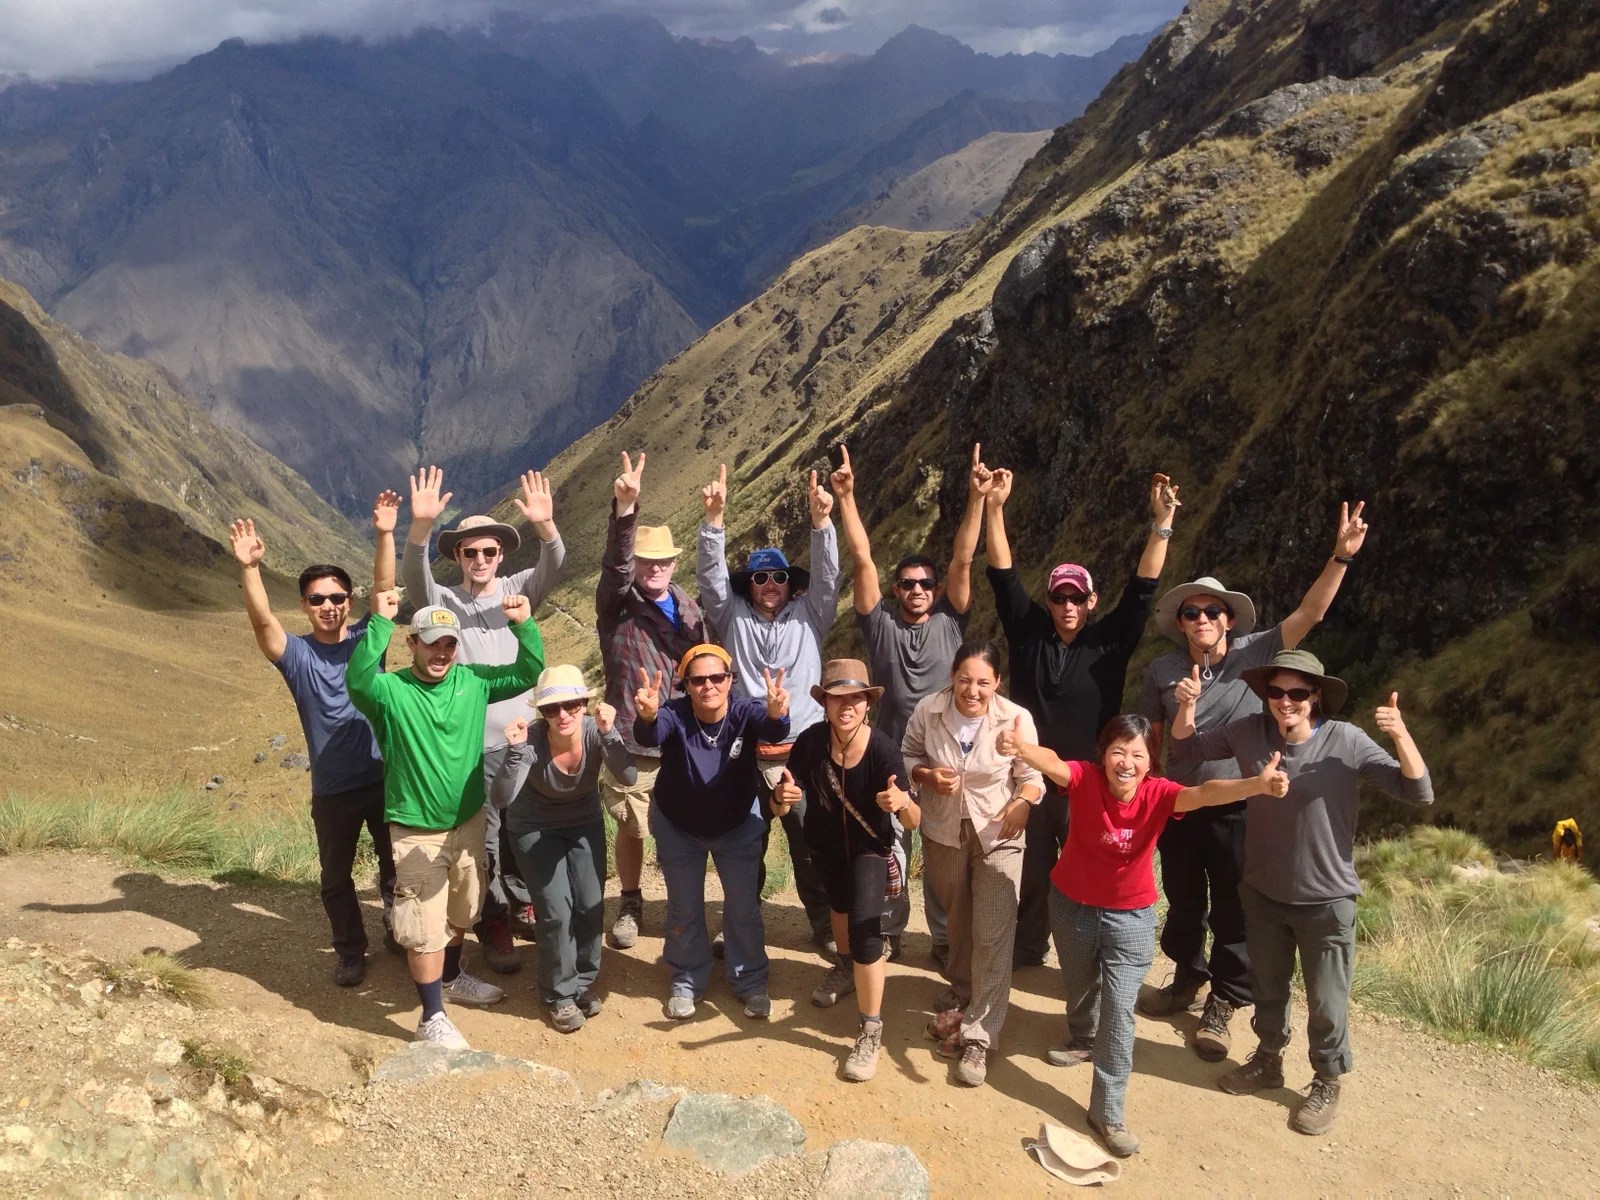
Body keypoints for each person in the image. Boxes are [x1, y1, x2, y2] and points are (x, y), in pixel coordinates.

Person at [1135, 501, 1371, 1060]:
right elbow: (1152, 737)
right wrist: (1151, 794)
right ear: (1181, 623)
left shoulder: (1257, 650)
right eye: (1191, 612)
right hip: (1183, 804)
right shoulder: (1163, 671)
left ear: (1229, 619)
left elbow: (1311, 612)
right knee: (1183, 900)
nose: (1202, 619)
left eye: (1212, 611)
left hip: (1242, 805)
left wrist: (1341, 556)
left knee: (1234, 908)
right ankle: (1187, 977)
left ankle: (1225, 999)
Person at [996, 714, 1291, 1158]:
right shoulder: (1085, 778)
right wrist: (1020, 748)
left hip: (1131, 917)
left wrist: (1257, 785)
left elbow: (1206, 793)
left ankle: (1107, 1111)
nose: (1126, 763)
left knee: (1119, 1012)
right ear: (1103, 755)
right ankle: (1082, 1038)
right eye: (1118, 751)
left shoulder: (1160, 793)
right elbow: (1053, 763)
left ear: (1151, 762)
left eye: (1138, 754)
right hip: (1072, 904)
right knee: (1080, 985)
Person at [1170, 649, 1433, 1136]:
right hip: (1263, 892)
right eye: (1276, 691)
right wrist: (1187, 706)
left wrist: (1400, 735)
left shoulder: (1346, 741)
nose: (1285, 701)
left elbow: (1418, 792)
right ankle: (1268, 1060)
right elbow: (1187, 751)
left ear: (1316, 696)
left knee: (1327, 1001)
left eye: (1297, 692)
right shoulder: (1250, 732)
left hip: (1326, 900)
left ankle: (1327, 1079)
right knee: (1268, 988)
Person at [985, 468, 1181, 968]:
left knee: (1089, 872)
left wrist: (1162, 524)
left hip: (1089, 785)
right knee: (1030, 870)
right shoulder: (1028, 633)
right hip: (1030, 776)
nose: (1068, 605)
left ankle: (1086, 957)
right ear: (1049, 601)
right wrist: (995, 508)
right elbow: (1003, 576)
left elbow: (1142, 589)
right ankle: (1028, 949)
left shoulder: (1110, 642)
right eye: (1059, 597)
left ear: (1091, 601)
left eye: (1077, 597)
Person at [347, 589, 545, 1050]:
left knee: (461, 911)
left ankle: (452, 978)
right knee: (423, 927)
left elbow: (528, 672)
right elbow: (357, 680)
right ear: (412, 643)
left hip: (469, 822)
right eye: (431, 643)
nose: (441, 653)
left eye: (449, 644)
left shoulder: (474, 681)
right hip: (417, 829)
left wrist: (524, 624)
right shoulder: (390, 692)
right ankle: (431, 1016)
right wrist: (379, 623)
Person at [227, 492, 401, 987]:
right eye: (318, 599)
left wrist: (385, 533)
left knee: (396, 865)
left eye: (337, 598)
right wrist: (250, 568)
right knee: (335, 879)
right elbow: (262, 621)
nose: (329, 606)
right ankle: (350, 950)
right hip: (333, 788)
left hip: (384, 776)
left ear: (349, 602)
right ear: (304, 605)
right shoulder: (296, 655)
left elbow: (385, 590)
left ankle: (398, 928)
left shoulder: (369, 640)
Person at [403, 465, 566, 975]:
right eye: (469, 552)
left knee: (526, 829)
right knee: (488, 840)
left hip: (524, 740)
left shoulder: (518, 590)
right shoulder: (445, 602)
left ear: (501, 555)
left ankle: (523, 903)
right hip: (473, 747)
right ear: (456, 556)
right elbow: (414, 577)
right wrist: (420, 528)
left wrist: (545, 526)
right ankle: (493, 923)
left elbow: (555, 562)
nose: (479, 560)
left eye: (489, 551)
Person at [832, 442, 984, 968]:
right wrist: (846, 498)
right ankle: (891, 931)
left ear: (936, 590)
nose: (917, 590)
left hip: (945, 759)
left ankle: (942, 939)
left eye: (925, 584)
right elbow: (862, 559)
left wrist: (976, 498)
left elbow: (964, 557)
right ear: (896, 590)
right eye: (907, 584)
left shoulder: (951, 622)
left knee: (942, 849)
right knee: (892, 848)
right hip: (891, 756)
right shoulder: (879, 626)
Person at [697, 462, 839, 954]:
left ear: (790, 583)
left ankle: (825, 926)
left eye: (778, 575)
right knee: (744, 846)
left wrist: (822, 524)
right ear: (749, 584)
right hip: (746, 751)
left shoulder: (811, 614)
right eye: (760, 577)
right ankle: (739, 924)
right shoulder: (731, 616)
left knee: (811, 843)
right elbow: (711, 581)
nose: (770, 583)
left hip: (802, 751)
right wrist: (713, 522)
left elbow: (828, 579)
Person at [901, 640, 1044, 1088]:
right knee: (958, 919)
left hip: (999, 833)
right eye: (965, 679)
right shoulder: (929, 710)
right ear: (952, 677)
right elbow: (909, 754)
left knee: (993, 932)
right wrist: (926, 776)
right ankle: (965, 991)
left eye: (983, 682)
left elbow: (1033, 776)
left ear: (997, 683)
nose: (972, 690)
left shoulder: (1015, 718)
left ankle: (980, 1036)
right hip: (943, 832)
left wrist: (1023, 802)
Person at [772, 659, 917, 1082]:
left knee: (866, 929)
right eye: (837, 698)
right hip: (825, 846)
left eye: (855, 697)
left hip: (869, 850)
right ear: (825, 703)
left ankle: (870, 1029)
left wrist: (902, 803)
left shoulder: (883, 749)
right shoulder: (811, 741)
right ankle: (845, 965)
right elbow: (780, 803)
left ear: (868, 703)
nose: (846, 706)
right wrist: (781, 797)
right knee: (838, 905)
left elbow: (914, 820)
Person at [633, 645, 790, 1021]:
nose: (709, 686)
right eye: (698, 680)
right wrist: (648, 717)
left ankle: (750, 980)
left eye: (717, 677)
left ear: (730, 680)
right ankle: (686, 979)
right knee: (684, 906)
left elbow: (773, 729)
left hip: (737, 825)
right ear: (686, 685)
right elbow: (651, 735)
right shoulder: (674, 713)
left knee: (743, 907)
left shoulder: (745, 710)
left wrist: (776, 712)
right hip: (679, 826)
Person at [596, 451, 709, 951]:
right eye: (646, 560)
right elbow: (615, 566)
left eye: (663, 560)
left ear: (675, 563)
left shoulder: (690, 609)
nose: (655, 567)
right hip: (631, 735)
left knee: (685, 826)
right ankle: (631, 900)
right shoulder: (618, 604)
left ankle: (685, 905)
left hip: (682, 734)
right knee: (631, 824)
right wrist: (625, 510)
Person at [490, 665, 637, 1033]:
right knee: (556, 910)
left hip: (582, 821)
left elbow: (629, 776)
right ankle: (558, 995)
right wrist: (514, 753)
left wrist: (610, 734)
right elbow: (502, 798)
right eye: (551, 708)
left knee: (589, 903)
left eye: (571, 705)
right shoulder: (531, 741)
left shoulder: (594, 732)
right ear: (542, 712)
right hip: (533, 827)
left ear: (584, 704)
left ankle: (581, 982)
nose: (562, 715)